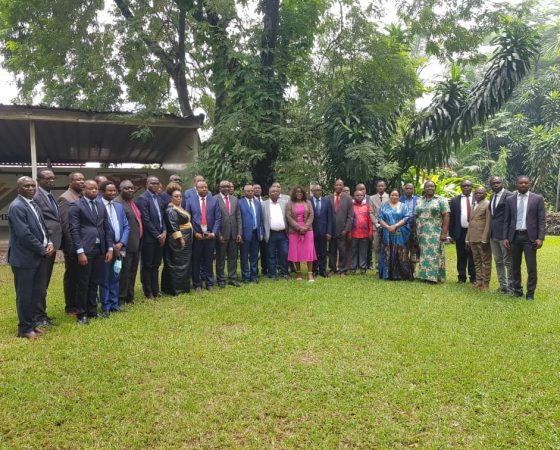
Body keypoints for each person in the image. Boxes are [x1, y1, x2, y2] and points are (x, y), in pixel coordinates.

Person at [8, 177, 55, 338]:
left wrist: (49, 242)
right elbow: (24, 234)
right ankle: (25, 329)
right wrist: (42, 249)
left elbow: (42, 227)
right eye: (26, 186)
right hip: (24, 259)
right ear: (18, 188)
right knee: (25, 294)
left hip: (37, 256)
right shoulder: (17, 206)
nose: (30, 188)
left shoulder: (32, 203)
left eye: (32, 185)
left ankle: (33, 324)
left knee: (35, 293)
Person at [68, 180, 114, 324]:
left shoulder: (100, 205)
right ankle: (82, 313)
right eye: (90, 188)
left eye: (96, 188)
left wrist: (110, 248)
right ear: (83, 190)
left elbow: (107, 227)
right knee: (83, 282)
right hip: (85, 249)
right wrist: (80, 251)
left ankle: (92, 310)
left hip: (100, 249)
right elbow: (74, 229)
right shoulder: (76, 206)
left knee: (95, 281)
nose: (94, 190)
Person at [504, 176, 546, 300]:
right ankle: (517, 291)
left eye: (526, 183)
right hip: (514, 237)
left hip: (530, 238)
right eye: (521, 183)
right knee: (514, 266)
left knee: (531, 267)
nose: (523, 185)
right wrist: (505, 237)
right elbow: (506, 220)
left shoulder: (537, 199)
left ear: (529, 184)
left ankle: (530, 294)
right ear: (516, 184)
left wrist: (540, 238)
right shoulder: (510, 199)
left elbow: (541, 220)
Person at [33, 169, 62, 327]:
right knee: (41, 283)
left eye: (53, 178)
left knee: (45, 281)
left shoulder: (50, 196)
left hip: (52, 245)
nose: (51, 181)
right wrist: (48, 241)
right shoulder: (37, 197)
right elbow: (38, 223)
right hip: (45, 246)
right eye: (47, 178)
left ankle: (41, 313)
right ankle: (39, 316)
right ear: (38, 180)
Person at [99, 181, 130, 315]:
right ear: (102, 192)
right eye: (109, 190)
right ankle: (105, 306)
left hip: (119, 246)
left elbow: (126, 226)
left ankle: (114, 303)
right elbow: (100, 229)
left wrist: (121, 243)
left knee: (116, 275)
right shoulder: (98, 205)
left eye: (114, 190)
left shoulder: (118, 206)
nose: (112, 193)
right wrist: (111, 246)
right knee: (105, 278)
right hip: (106, 248)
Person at [184, 180, 221, 291]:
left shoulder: (214, 201)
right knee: (196, 261)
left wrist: (213, 233)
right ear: (196, 189)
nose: (204, 189)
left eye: (206, 187)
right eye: (201, 187)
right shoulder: (190, 201)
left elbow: (218, 218)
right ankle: (197, 284)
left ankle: (209, 283)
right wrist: (195, 233)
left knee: (209, 260)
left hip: (210, 236)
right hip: (197, 237)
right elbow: (187, 219)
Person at [58, 171, 85, 315]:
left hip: (82, 243)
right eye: (78, 179)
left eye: (83, 179)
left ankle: (80, 302)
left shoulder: (81, 196)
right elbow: (66, 225)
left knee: (80, 276)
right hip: (73, 246)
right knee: (72, 276)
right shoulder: (66, 198)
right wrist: (73, 247)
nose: (82, 182)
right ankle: (70, 306)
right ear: (70, 182)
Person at [136, 176, 167, 299]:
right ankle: (148, 291)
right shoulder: (142, 198)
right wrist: (157, 235)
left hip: (161, 237)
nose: (155, 185)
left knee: (156, 265)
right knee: (147, 265)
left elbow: (163, 217)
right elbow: (146, 220)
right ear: (147, 184)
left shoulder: (159, 198)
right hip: (149, 238)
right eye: (152, 183)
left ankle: (156, 289)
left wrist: (164, 231)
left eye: (157, 183)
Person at [414, 181, 450, 283]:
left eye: (432, 186)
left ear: (435, 188)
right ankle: (424, 276)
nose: (430, 188)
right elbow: (415, 216)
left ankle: (433, 277)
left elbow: (446, 215)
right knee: (423, 253)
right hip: (421, 231)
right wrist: (414, 231)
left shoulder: (441, 200)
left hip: (435, 231)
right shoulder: (419, 200)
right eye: (427, 186)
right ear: (424, 188)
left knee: (434, 253)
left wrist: (444, 233)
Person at [114, 180, 142, 305]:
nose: (130, 190)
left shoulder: (132, 202)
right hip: (125, 244)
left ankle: (130, 296)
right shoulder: (117, 203)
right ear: (120, 189)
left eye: (131, 188)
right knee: (124, 272)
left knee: (132, 271)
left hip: (135, 243)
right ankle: (121, 298)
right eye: (126, 188)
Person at [161, 184, 193, 295]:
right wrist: (180, 239)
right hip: (177, 241)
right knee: (176, 265)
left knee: (184, 264)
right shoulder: (171, 209)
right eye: (176, 196)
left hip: (186, 238)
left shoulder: (178, 207)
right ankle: (175, 289)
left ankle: (182, 287)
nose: (179, 198)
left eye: (180, 196)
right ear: (171, 198)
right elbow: (173, 226)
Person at [378, 189, 412, 280]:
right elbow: (380, 218)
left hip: (400, 232)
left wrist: (395, 226)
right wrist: (388, 227)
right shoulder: (384, 206)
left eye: (396, 195)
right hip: (387, 232)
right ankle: (387, 274)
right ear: (389, 196)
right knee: (388, 250)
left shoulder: (403, 206)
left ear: (399, 196)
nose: (394, 196)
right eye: (392, 195)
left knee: (400, 251)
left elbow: (406, 217)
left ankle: (401, 274)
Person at [488, 176, 513, 294]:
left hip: (504, 235)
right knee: (498, 261)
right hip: (493, 234)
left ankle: (511, 287)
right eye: (493, 183)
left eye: (498, 182)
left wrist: (508, 235)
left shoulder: (510, 195)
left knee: (508, 262)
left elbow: (512, 216)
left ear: (502, 183)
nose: (496, 184)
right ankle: (503, 286)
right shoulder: (492, 196)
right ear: (491, 185)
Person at [286, 186, 316, 282]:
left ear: (303, 193)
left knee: (309, 251)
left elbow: (311, 215)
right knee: (296, 251)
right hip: (294, 231)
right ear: (294, 193)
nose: (299, 193)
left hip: (308, 230)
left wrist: (305, 227)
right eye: (297, 192)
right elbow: (288, 217)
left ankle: (310, 273)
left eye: (301, 192)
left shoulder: (308, 202)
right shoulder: (290, 203)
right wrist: (298, 227)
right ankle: (298, 273)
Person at [215, 180, 242, 288]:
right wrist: (218, 234)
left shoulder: (235, 199)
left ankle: (232, 278)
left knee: (233, 257)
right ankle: (221, 279)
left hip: (234, 234)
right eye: (223, 186)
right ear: (219, 188)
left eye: (228, 186)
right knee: (220, 258)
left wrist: (239, 233)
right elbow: (214, 218)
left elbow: (238, 217)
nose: (226, 188)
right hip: (222, 234)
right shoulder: (214, 199)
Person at [449, 179, 476, 284]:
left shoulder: (477, 198)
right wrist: (452, 234)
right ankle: (461, 276)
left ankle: (473, 277)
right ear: (461, 187)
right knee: (461, 255)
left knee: (473, 254)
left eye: (468, 185)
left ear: (472, 187)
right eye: (464, 186)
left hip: (474, 231)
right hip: (460, 231)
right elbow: (452, 218)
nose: (466, 187)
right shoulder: (455, 200)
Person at [465, 187, 492, 291]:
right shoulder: (474, 204)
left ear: (486, 194)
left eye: (481, 193)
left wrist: (485, 239)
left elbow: (488, 223)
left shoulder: (487, 204)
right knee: (476, 261)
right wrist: (467, 238)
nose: (478, 195)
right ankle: (479, 281)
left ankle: (485, 283)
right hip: (473, 237)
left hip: (482, 238)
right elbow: (471, 223)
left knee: (485, 261)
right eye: (476, 193)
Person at [239, 184, 265, 283]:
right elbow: (238, 220)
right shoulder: (240, 203)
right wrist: (240, 234)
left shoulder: (257, 203)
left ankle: (254, 276)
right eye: (248, 191)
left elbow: (260, 219)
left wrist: (261, 231)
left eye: (251, 191)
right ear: (244, 192)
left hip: (256, 233)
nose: (250, 192)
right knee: (244, 256)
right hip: (244, 234)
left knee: (254, 256)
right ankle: (245, 277)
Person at [262, 185, 289, 280]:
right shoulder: (263, 204)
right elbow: (261, 220)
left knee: (284, 253)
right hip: (270, 234)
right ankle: (272, 274)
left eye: (277, 191)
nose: (275, 193)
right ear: (269, 194)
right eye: (273, 191)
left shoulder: (284, 203)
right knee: (271, 255)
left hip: (283, 233)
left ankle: (285, 272)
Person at [328, 179, 354, 276]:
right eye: (337, 185)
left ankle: (342, 270)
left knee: (343, 251)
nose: (338, 186)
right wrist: (328, 231)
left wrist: (346, 229)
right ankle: (332, 269)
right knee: (332, 250)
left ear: (343, 186)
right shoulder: (328, 198)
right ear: (334, 186)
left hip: (342, 230)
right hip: (331, 230)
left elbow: (350, 216)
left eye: (340, 185)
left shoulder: (348, 199)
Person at [310, 184, 332, 278]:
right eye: (315, 190)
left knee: (323, 252)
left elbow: (330, 218)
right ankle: (314, 270)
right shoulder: (308, 201)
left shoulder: (326, 201)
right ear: (312, 191)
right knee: (314, 251)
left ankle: (322, 270)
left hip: (324, 232)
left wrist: (329, 232)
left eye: (319, 190)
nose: (318, 192)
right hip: (312, 231)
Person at [350, 190, 373, 275]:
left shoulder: (367, 207)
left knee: (363, 252)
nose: (359, 196)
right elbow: (349, 220)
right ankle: (353, 268)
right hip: (353, 233)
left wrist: (370, 231)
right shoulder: (351, 207)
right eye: (357, 195)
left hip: (365, 233)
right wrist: (349, 233)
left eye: (361, 195)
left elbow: (370, 220)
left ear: (363, 196)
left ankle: (363, 268)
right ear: (354, 196)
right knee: (353, 252)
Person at [370, 180, 389, 274]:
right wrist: (376, 224)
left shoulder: (389, 197)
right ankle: (378, 267)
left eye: (382, 186)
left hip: (387, 226)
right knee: (376, 247)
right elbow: (371, 212)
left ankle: (386, 266)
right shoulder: (372, 198)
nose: (381, 187)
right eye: (379, 186)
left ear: (385, 187)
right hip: (376, 226)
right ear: (376, 187)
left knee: (386, 246)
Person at [400, 183, 420, 272]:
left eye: (410, 188)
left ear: (413, 189)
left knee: (414, 249)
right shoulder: (400, 199)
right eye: (407, 188)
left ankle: (413, 270)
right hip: (403, 227)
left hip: (415, 226)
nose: (408, 190)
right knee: (404, 248)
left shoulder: (418, 200)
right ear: (404, 189)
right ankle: (405, 270)